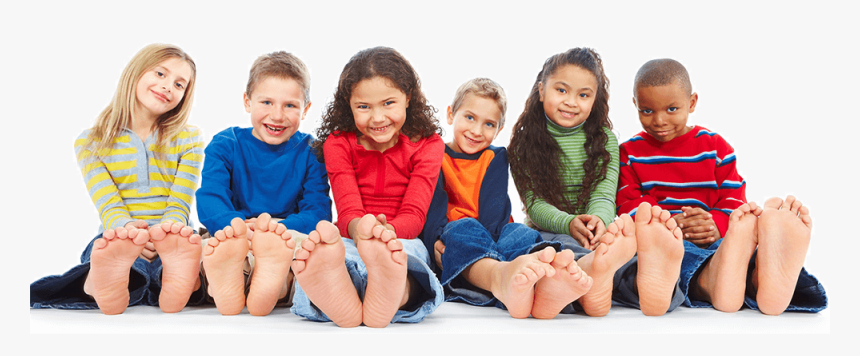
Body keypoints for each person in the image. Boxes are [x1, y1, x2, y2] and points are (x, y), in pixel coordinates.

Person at [618, 58, 827, 314]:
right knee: (666, 259)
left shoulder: (716, 149)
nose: (659, 120)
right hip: (664, 243)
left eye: (672, 109)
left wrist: (715, 224)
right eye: (647, 111)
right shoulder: (629, 153)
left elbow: (734, 199)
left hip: (716, 239)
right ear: (635, 105)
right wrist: (666, 226)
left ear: (692, 103)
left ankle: (758, 276)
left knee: (737, 250)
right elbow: (626, 204)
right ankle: (734, 282)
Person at [30, 44, 205, 314]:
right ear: (135, 72)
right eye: (160, 74)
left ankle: (184, 279)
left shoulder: (188, 139)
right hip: (120, 234)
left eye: (179, 84)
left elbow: (180, 201)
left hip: (174, 236)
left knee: (186, 255)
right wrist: (129, 235)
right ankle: (98, 283)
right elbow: (109, 206)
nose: (168, 86)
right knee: (105, 254)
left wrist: (166, 233)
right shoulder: (91, 143)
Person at [508, 47, 683, 316]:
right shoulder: (523, 143)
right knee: (546, 250)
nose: (571, 102)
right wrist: (569, 222)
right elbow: (535, 205)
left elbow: (604, 194)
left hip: (596, 231)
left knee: (624, 252)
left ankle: (631, 282)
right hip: (550, 228)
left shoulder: (605, 140)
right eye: (561, 90)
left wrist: (598, 222)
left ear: (595, 99)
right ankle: (592, 274)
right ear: (542, 90)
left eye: (583, 95)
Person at [290, 47, 444, 327]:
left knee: (408, 262)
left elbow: (414, 214)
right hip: (352, 235)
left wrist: (384, 238)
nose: (377, 118)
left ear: (408, 97)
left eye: (388, 103)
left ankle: (392, 293)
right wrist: (363, 233)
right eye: (364, 107)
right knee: (338, 258)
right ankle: (342, 296)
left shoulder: (428, 145)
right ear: (348, 105)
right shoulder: (339, 143)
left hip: (402, 238)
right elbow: (348, 210)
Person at [422, 78, 593, 319]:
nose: (476, 131)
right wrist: (434, 242)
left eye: (489, 124)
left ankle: (542, 283)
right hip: (456, 236)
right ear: (451, 114)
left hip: (494, 233)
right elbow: (432, 207)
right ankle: (504, 279)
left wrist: (498, 246)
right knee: (465, 228)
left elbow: (493, 214)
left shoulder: (495, 157)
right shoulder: (434, 154)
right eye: (469, 117)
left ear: (499, 129)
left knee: (520, 232)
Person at [195, 51, 332, 316]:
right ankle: (233, 283)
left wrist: (272, 230)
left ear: (306, 109)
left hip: (284, 236)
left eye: (290, 105)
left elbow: (318, 211)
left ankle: (273, 283)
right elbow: (211, 200)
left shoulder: (311, 151)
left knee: (312, 252)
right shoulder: (226, 144)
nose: (277, 115)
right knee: (201, 247)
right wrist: (236, 229)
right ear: (247, 101)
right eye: (266, 102)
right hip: (233, 235)